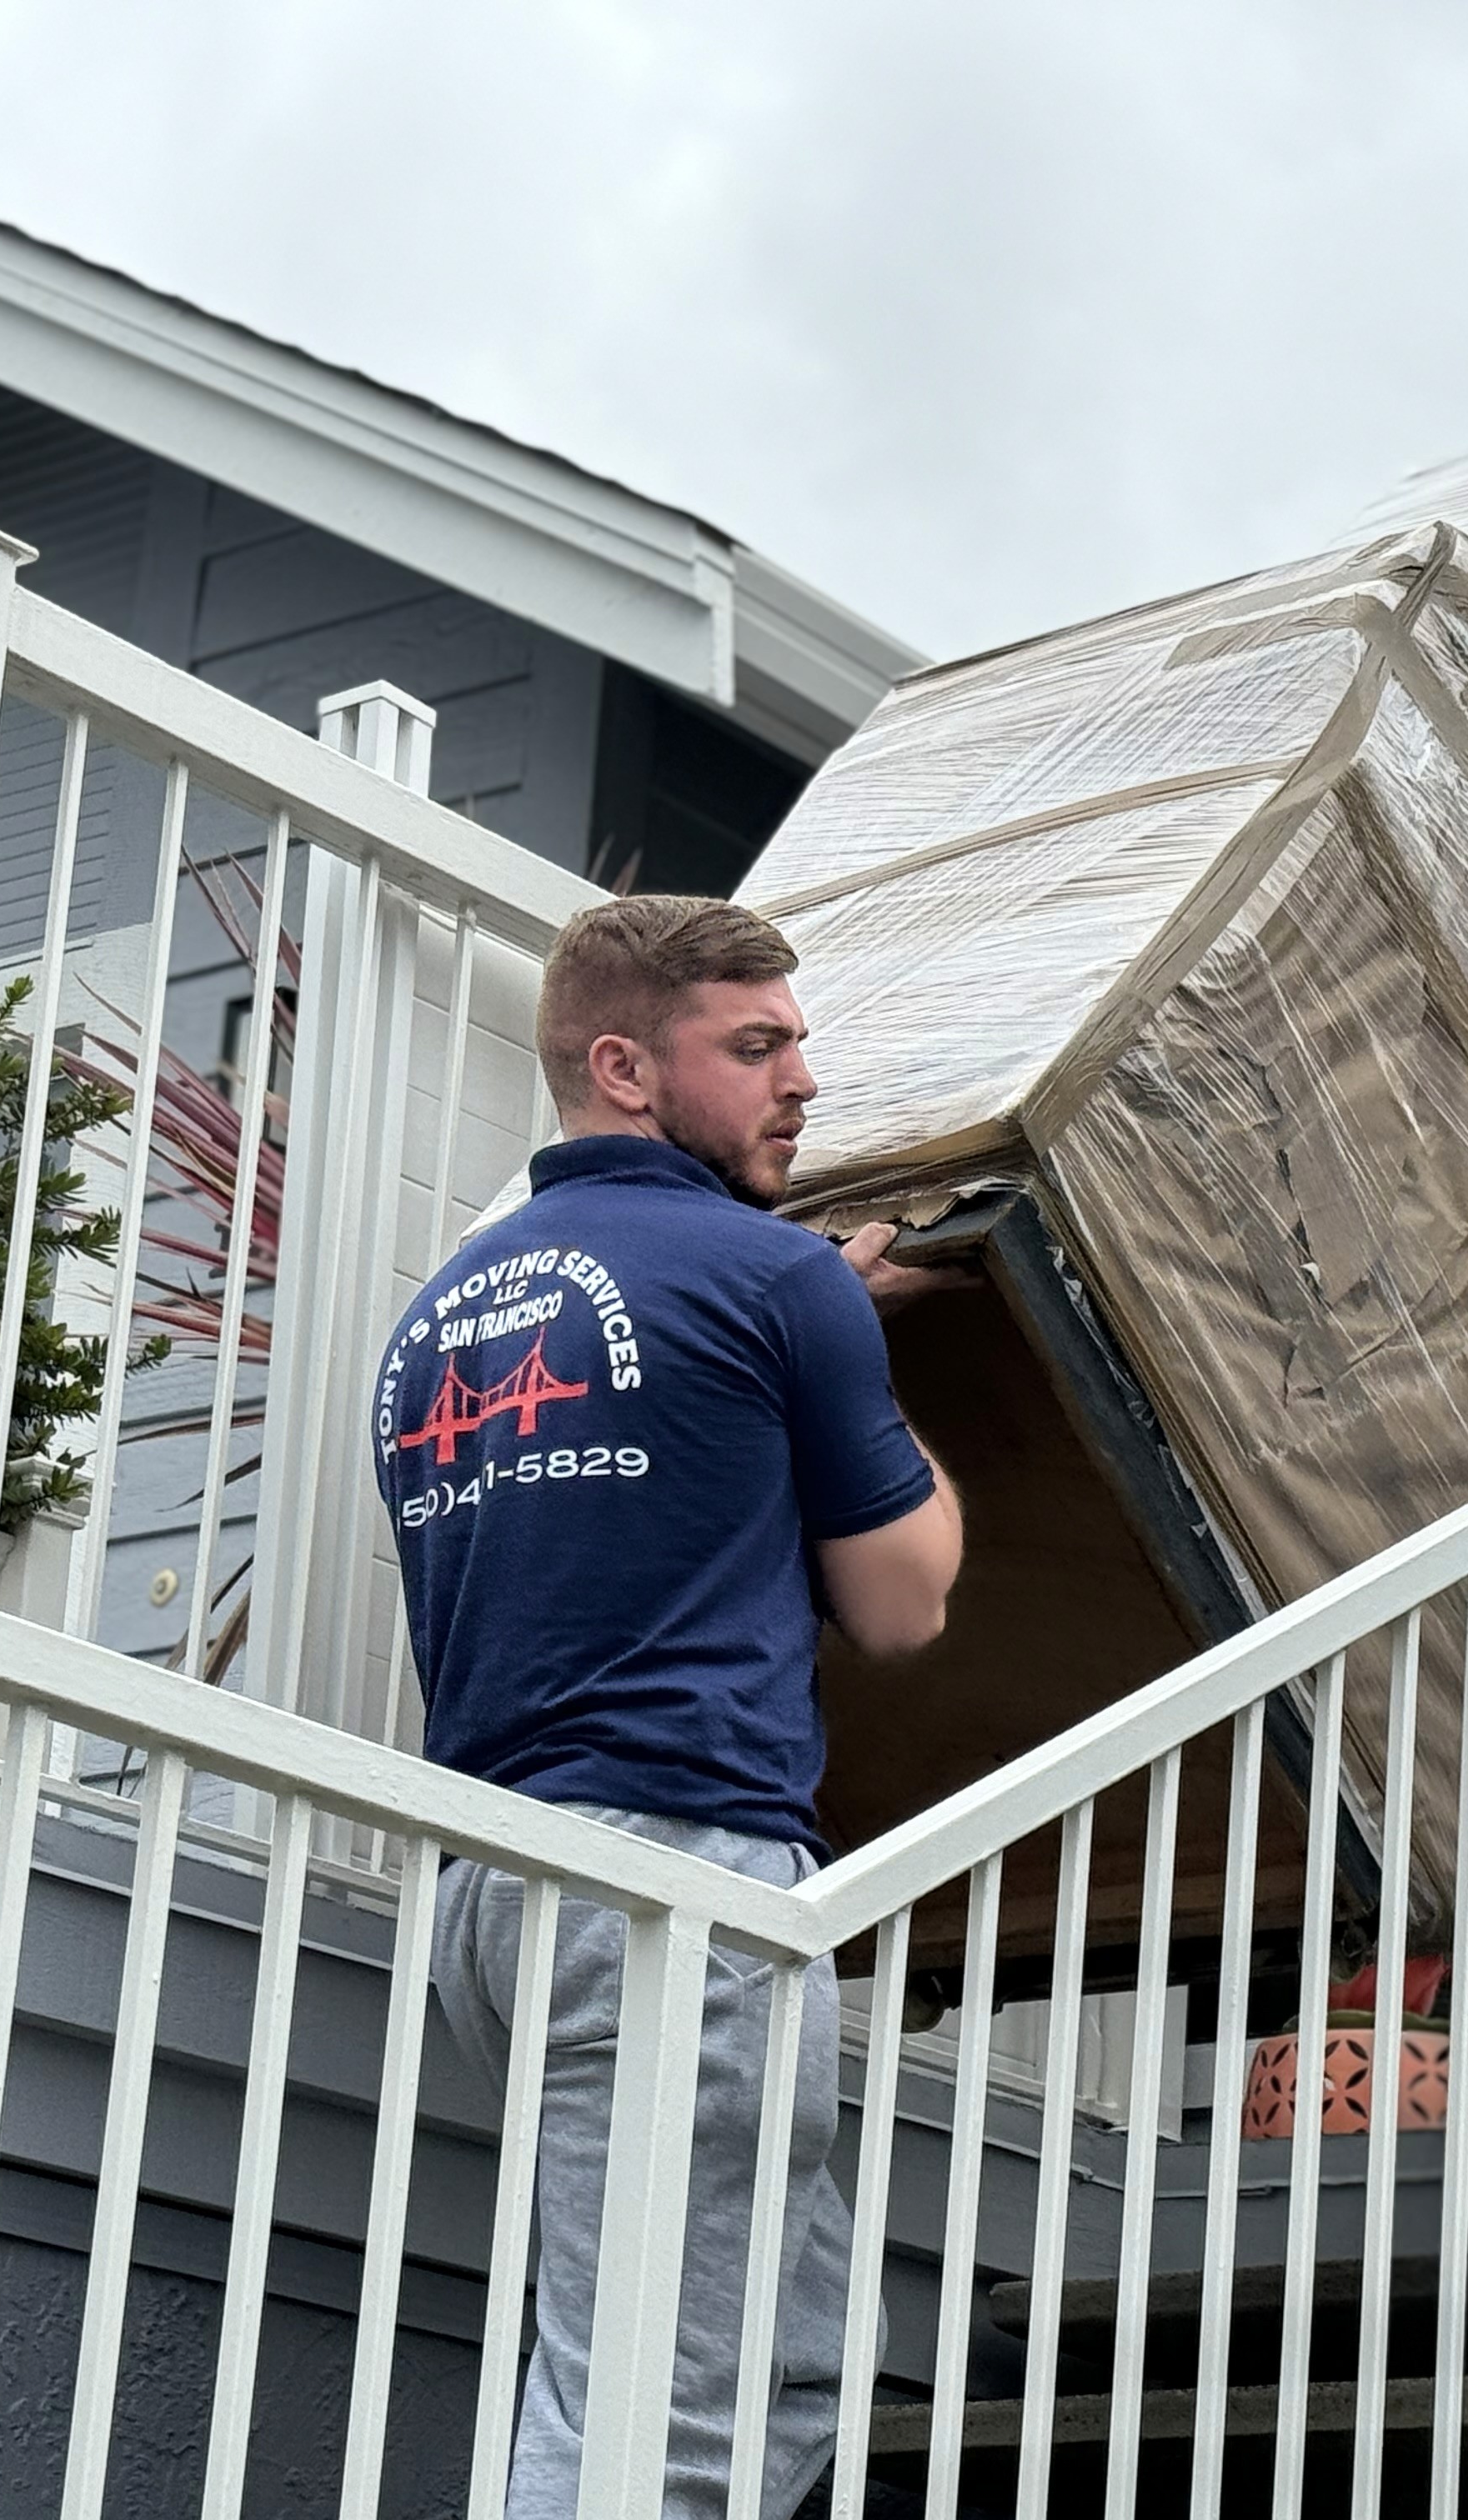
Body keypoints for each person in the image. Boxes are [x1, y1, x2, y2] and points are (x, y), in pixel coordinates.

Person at [373, 894, 965, 2520]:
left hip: (497, 1898)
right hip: (670, 1887)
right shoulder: (775, 1286)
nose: (803, 1083)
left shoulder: (442, 1318)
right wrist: (847, 1366)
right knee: (671, 2426)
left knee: (750, 2364)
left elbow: (635, 1518)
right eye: (757, 1046)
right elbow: (904, 1598)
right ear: (627, 1066)